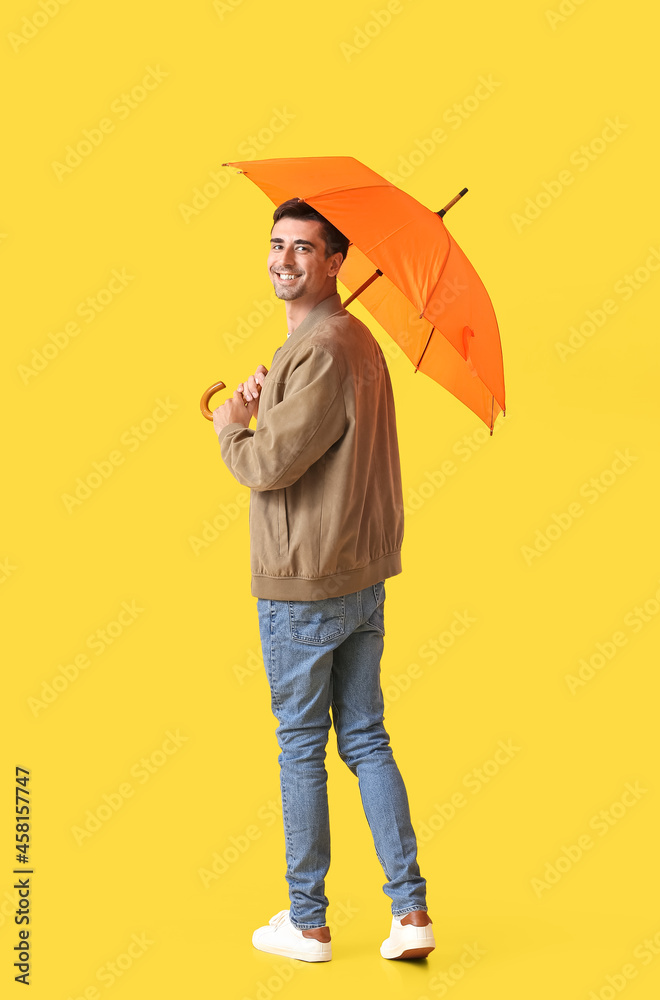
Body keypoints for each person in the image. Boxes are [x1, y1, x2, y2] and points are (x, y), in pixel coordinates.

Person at [211, 198, 434, 963]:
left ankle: (306, 924)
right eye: (276, 245)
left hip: (307, 580)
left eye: (304, 249)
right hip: (359, 575)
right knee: (365, 738)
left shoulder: (323, 346)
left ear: (336, 261)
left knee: (301, 746)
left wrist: (230, 426)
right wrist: (267, 395)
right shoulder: (348, 342)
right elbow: (314, 440)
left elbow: (267, 465)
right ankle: (410, 915)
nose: (284, 260)